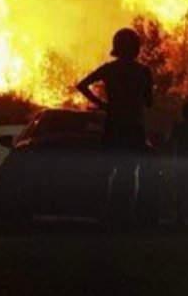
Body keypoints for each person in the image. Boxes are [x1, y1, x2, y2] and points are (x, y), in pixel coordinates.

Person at [76, 28, 154, 226]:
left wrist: (102, 104)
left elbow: (82, 85)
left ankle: (104, 215)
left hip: (113, 127)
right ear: (136, 48)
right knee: (128, 174)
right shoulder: (144, 72)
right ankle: (124, 215)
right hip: (134, 129)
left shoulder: (109, 70)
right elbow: (149, 102)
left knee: (106, 172)